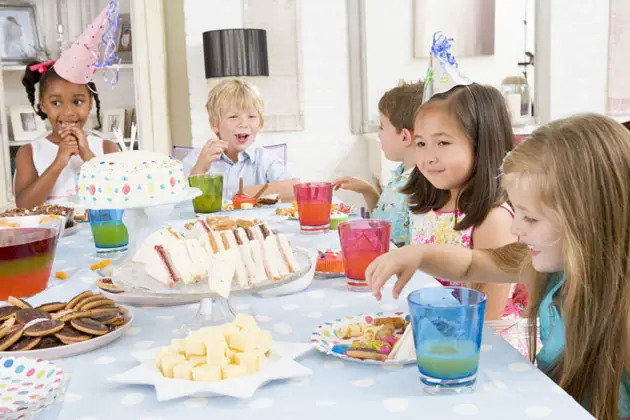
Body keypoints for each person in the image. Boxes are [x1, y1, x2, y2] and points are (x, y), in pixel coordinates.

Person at [366, 114, 630, 420]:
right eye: (517, 212)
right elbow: (472, 264)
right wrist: (418, 254)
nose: (516, 228)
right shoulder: (554, 265)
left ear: (591, 220)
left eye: (531, 218)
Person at [403, 83, 521, 320]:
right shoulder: (433, 207)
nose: (428, 157)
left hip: (481, 343)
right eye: (421, 143)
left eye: (443, 143)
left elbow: (488, 315)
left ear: (482, 144)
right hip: (437, 327)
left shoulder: (493, 219)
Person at [13, 7, 120, 208]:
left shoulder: (105, 147)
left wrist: (87, 156)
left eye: (78, 101)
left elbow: (119, 194)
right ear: (42, 106)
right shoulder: (29, 152)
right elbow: (24, 206)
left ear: (90, 103)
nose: (68, 113)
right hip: (51, 238)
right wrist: (59, 162)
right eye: (56, 103)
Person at [332, 80, 423, 246]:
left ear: (404, 137)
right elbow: (384, 222)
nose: (378, 135)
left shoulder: (420, 188)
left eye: (382, 127)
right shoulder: (401, 175)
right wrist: (367, 190)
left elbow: (406, 248)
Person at [182, 79, 297, 201]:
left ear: (260, 124)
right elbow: (180, 201)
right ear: (214, 123)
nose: (243, 123)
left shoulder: (265, 160)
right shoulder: (197, 158)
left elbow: (293, 189)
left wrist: (247, 193)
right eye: (233, 117)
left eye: (251, 116)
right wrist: (200, 168)